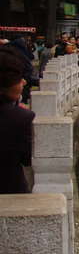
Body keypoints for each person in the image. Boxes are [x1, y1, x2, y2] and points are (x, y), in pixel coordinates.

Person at [0, 46, 35, 193]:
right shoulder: (20, 117)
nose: (24, 82)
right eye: (19, 78)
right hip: (9, 191)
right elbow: (27, 159)